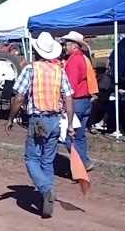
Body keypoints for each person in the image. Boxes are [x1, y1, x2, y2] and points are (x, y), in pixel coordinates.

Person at [6, 32, 75, 218]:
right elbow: (68, 97)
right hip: (55, 120)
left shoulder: (31, 69)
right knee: (47, 159)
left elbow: (19, 96)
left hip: (38, 119)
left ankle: (45, 190)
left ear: (36, 51)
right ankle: (48, 194)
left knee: (31, 158)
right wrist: (69, 124)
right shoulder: (59, 70)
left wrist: (11, 118)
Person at [61, 31, 98, 171]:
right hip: (85, 100)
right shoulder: (83, 58)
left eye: (67, 44)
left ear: (74, 45)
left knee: (68, 136)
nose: (65, 47)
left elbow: (71, 85)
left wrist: (64, 103)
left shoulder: (74, 61)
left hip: (76, 102)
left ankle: (83, 163)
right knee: (80, 136)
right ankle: (84, 162)